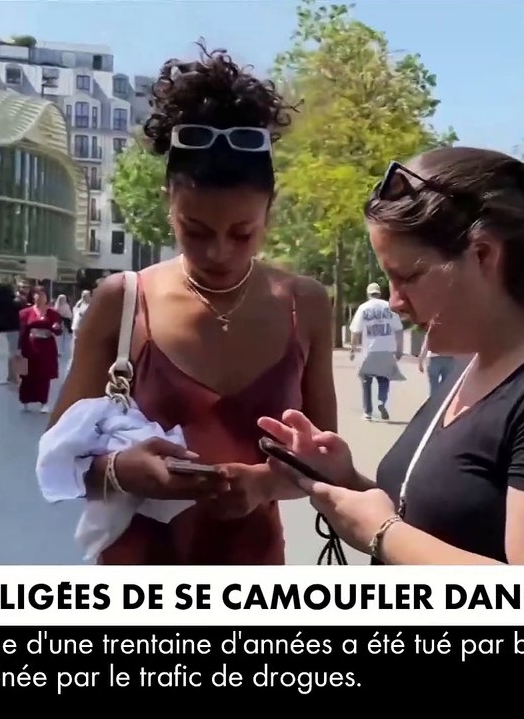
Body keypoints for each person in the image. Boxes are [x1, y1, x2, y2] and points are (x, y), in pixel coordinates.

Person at [258, 147, 524, 565]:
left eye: (407, 276)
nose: (395, 302)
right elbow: (445, 520)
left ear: (483, 255)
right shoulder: (478, 362)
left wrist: (381, 534)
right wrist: (347, 483)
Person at [50, 43, 336, 565]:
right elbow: (56, 455)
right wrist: (122, 470)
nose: (218, 252)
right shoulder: (123, 301)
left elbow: (325, 463)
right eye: (195, 230)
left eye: (242, 233)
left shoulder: (306, 304)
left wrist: (264, 482)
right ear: (169, 204)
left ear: (269, 213)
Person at [348, 282, 405, 420]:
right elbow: (399, 331)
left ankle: (367, 412)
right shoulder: (389, 307)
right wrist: (399, 350)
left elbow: (355, 331)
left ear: (368, 294)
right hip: (386, 349)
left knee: (366, 380)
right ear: (379, 293)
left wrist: (353, 349)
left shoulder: (363, 308)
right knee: (384, 379)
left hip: (370, 350)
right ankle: (381, 402)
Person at [17, 287, 63, 413]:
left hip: (47, 346)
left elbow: (59, 331)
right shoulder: (25, 313)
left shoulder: (53, 313)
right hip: (30, 345)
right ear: (33, 296)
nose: (39, 297)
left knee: (44, 376)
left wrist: (56, 328)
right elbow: (22, 332)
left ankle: (44, 402)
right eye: (37, 294)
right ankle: (25, 401)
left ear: (46, 297)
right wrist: (19, 348)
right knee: (27, 375)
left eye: (42, 295)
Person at [0, 283, 24, 385]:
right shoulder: (14, 302)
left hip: (4, 329)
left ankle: (11, 376)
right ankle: (17, 377)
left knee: (12, 353)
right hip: (16, 328)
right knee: (17, 353)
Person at [417, 330, 465, 397]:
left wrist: (420, 361)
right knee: (447, 387)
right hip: (449, 359)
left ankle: (434, 404)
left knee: (434, 386)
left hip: (434, 359)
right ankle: (441, 402)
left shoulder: (433, 330)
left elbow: (426, 346)